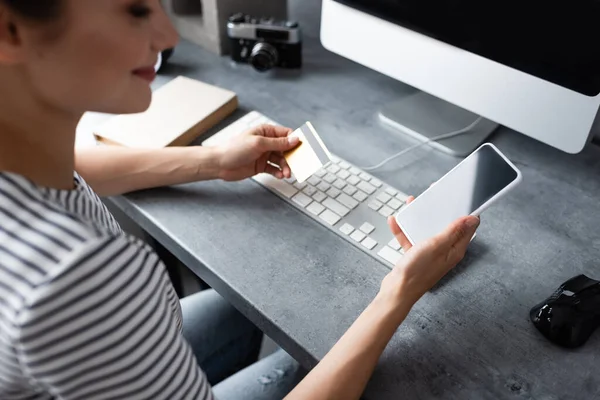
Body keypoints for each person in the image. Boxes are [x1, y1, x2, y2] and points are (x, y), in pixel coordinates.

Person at [0, 1, 481, 399]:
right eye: (136, 9)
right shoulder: (78, 276)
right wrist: (400, 293)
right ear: (10, 30)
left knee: (252, 309)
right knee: (324, 361)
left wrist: (212, 160)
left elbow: (76, 166)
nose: (168, 35)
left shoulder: (23, 150)